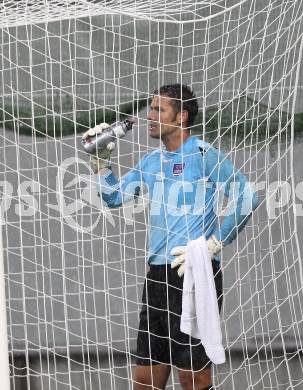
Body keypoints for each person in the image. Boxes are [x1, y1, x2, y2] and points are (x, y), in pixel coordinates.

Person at [82, 84, 259, 390]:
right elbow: (113, 197)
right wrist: (99, 160)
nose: (150, 115)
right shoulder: (152, 161)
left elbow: (248, 196)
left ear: (182, 116)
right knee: (146, 380)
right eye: (150, 108)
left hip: (192, 274)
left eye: (158, 109)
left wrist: (214, 243)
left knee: (192, 376)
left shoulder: (204, 154)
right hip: (157, 277)